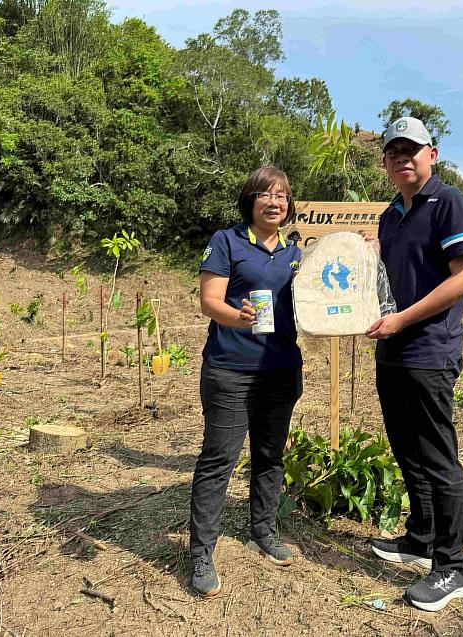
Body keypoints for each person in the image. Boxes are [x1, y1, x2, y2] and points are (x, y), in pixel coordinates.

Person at [364, 117, 463, 612]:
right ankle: (419, 538)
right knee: (407, 450)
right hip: (391, 350)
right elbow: (384, 283)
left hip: (430, 350)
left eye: (413, 150)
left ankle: (452, 568)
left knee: (438, 458)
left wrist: (403, 319)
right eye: (394, 152)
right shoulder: (391, 217)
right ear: (387, 162)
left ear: (432, 154)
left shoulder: (448, 202)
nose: (403, 159)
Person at [189, 166, 303, 597]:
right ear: (250, 201)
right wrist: (237, 317)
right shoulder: (227, 241)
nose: (274, 203)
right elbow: (209, 302)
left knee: (270, 456)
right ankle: (201, 552)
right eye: (264, 195)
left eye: (281, 196)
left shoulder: (295, 254)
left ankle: (263, 531)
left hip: (281, 368)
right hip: (230, 368)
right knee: (219, 459)